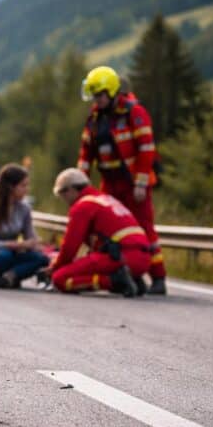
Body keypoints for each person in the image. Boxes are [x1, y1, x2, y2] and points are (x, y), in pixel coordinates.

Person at [78, 65, 167, 294]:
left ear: (111, 91)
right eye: (94, 96)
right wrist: (80, 183)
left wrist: (140, 182)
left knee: (144, 230)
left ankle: (158, 278)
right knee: (109, 232)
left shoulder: (134, 113)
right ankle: (129, 276)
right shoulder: (95, 118)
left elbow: (146, 149)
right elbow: (86, 153)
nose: (96, 100)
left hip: (133, 183)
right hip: (110, 183)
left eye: (99, 95)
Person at [44, 168, 150, 297]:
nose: (64, 200)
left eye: (62, 194)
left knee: (60, 279)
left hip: (120, 257)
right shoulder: (106, 199)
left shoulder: (82, 206)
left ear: (70, 190)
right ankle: (132, 278)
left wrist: (54, 268)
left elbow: (70, 248)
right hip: (142, 259)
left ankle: (115, 281)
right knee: (84, 266)